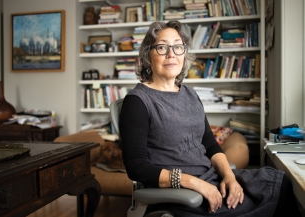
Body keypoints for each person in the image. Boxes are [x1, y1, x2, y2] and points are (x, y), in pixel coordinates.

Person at [119, 20, 301, 217]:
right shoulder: (137, 102)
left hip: (211, 178)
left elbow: (210, 144)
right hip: (180, 194)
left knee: (279, 182)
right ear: (148, 55)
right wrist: (196, 184)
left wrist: (229, 177)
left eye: (178, 47)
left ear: (184, 53)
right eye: (162, 47)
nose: (171, 54)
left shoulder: (190, 94)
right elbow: (136, 167)